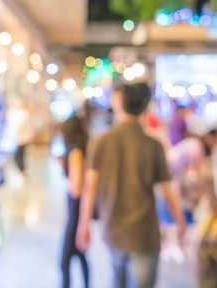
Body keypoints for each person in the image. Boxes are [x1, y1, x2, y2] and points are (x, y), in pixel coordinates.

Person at [77, 82, 186, 288]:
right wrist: (181, 223)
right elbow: (168, 190)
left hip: (112, 227)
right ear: (145, 107)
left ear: (119, 104)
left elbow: (90, 187)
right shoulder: (153, 145)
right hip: (144, 232)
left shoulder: (100, 142)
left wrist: (84, 223)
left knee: (117, 278)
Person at [59, 116, 90, 288]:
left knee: (64, 260)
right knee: (80, 254)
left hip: (75, 211)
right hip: (77, 210)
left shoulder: (75, 151)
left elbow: (76, 187)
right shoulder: (81, 149)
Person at [11, 100, 34, 176]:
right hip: (20, 138)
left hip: (22, 138)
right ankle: (21, 170)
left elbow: (18, 126)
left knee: (19, 155)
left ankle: (22, 170)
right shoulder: (17, 113)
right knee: (20, 154)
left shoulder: (23, 113)